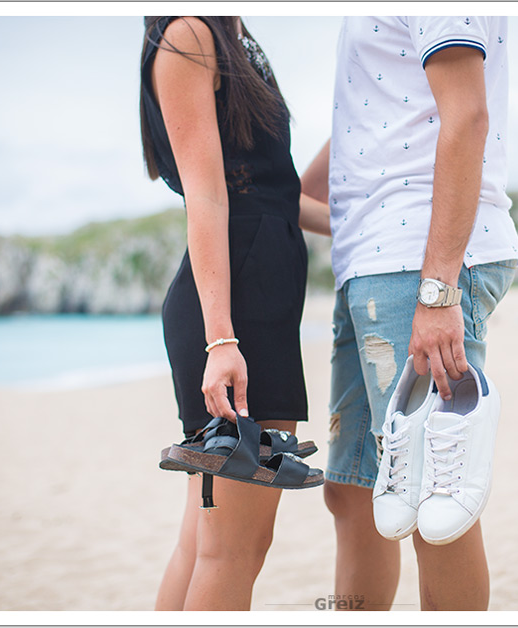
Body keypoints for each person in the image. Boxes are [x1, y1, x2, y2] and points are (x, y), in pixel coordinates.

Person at [301, 16, 518, 610]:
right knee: (352, 491)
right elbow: (378, 113)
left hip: (414, 260)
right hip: (368, 262)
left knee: (436, 504)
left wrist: (437, 291)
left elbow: (468, 115)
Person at [139, 16, 329, 611]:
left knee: (207, 543)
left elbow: (273, 189)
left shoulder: (231, 35)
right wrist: (221, 339)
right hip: (236, 304)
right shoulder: (188, 33)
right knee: (233, 549)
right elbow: (208, 191)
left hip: (257, 293)